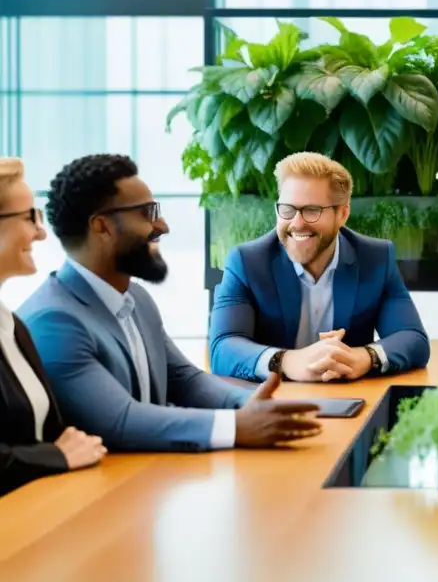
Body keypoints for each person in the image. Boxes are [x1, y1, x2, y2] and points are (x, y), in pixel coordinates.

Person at [17, 154, 324, 453]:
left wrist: (250, 404)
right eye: (148, 213)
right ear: (102, 227)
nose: (163, 226)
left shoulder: (135, 298)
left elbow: (183, 379)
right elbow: (119, 420)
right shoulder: (54, 321)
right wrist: (235, 425)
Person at [209, 152, 429, 383]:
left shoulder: (375, 258)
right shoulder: (246, 261)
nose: (296, 223)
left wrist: (364, 357)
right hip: (271, 401)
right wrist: (287, 361)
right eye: (287, 209)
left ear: (342, 214)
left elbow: (412, 338)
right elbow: (223, 348)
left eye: (312, 210)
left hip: (350, 398)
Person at [0, 157, 106, 496]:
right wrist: (55, 456)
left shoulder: (13, 327)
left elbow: (54, 433)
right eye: (30, 216)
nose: (41, 231)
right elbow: (57, 447)